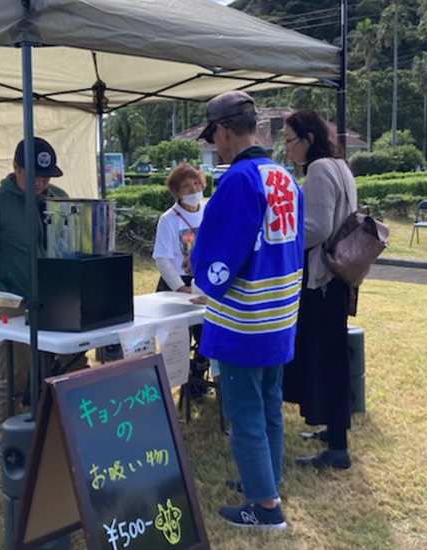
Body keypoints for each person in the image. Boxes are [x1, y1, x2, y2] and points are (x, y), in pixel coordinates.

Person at [190, 90, 304, 530]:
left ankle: (265, 506)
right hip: (280, 312)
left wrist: (202, 275)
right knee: (270, 403)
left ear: (223, 131)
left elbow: (220, 253)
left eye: (213, 137)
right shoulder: (283, 175)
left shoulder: (239, 179)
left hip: (246, 317)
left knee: (244, 411)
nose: (215, 146)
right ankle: (267, 481)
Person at [0, 137, 87, 428]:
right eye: (33, 175)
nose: (40, 183)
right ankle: (9, 438)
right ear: (16, 168)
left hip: (57, 300)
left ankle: (75, 426)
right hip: (13, 301)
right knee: (13, 373)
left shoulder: (59, 199)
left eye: (46, 176)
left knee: (74, 361)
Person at [281, 109, 357, 471]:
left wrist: (281, 243)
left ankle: (338, 449)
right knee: (332, 360)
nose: (287, 148)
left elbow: (316, 228)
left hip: (322, 280)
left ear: (309, 139)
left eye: (290, 140)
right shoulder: (340, 165)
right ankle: (334, 431)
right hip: (337, 279)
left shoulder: (319, 171)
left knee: (326, 363)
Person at [153, 163, 206, 293]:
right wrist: (181, 288)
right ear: (177, 192)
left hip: (204, 280)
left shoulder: (209, 211)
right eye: (186, 186)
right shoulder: (168, 219)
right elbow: (163, 260)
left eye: (196, 183)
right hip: (177, 283)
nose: (193, 190)